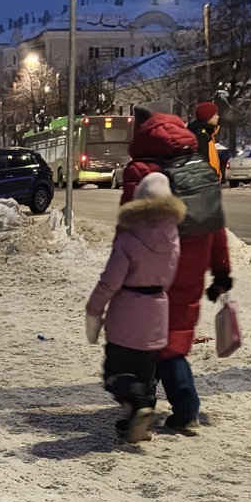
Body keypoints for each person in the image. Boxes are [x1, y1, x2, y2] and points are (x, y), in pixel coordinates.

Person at [119, 109, 231, 433]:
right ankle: (186, 410)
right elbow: (216, 226)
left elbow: (129, 226)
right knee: (173, 343)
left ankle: (141, 408)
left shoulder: (140, 171)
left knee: (142, 343)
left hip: (151, 272)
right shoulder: (201, 170)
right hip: (191, 275)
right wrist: (221, 271)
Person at [85, 172, 185, 443]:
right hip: (156, 313)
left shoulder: (129, 239)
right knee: (144, 371)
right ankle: (138, 420)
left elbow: (109, 282)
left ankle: (138, 403)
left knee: (115, 374)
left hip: (126, 316)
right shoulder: (173, 238)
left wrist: (93, 309)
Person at [188, 101, 222, 178]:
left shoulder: (207, 133)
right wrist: (212, 175)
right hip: (206, 181)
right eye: (215, 114)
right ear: (208, 116)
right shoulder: (202, 135)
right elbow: (202, 161)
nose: (218, 117)